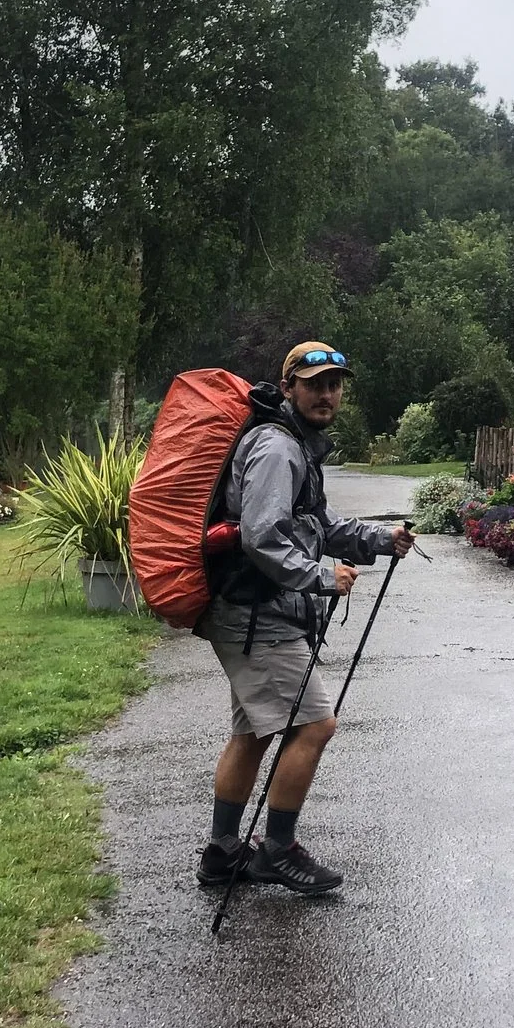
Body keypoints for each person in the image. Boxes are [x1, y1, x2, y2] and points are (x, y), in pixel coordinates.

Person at [198, 342, 415, 895]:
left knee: (251, 733)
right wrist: (321, 577)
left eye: (334, 384)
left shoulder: (296, 445)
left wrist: (378, 538)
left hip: (251, 609)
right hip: (257, 612)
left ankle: (223, 853)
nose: (326, 394)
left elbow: (314, 523)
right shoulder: (277, 448)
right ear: (289, 385)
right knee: (315, 724)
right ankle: (277, 851)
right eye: (314, 383)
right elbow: (263, 537)